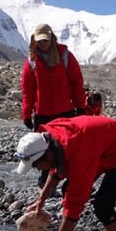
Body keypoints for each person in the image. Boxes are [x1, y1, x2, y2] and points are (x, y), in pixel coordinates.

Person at [21, 23, 87, 187]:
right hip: (42, 112)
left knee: (68, 146)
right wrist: (26, 113)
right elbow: (27, 90)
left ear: (51, 38)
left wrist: (81, 106)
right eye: (40, 41)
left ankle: (71, 180)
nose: (43, 44)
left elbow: (76, 83)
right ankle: (46, 180)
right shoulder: (32, 60)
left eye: (45, 40)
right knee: (43, 148)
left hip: (65, 110)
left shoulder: (65, 56)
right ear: (34, 41)